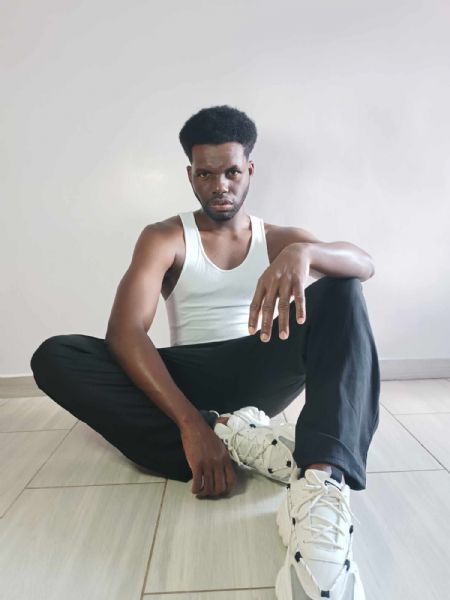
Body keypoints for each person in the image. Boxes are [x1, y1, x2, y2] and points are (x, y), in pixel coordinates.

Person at [30, 104, 380, 600]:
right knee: (56, 355)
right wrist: (192, 424)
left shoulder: (280, 239)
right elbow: (126, 331)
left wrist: (306, 253)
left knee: (343, 289)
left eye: (231, 172)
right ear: (190, 175)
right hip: (188, 381)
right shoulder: (166, 237)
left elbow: (364, 264)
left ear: (249, 170)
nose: (220, 186)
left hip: (259, 367)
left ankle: (320, 480)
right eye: (206, 174)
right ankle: (228, 437)